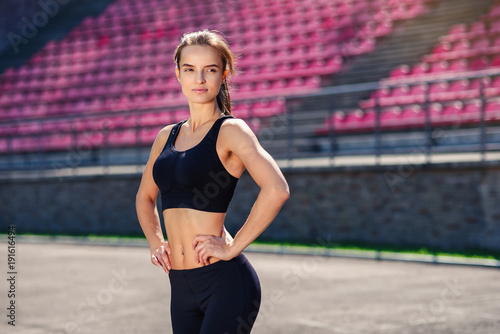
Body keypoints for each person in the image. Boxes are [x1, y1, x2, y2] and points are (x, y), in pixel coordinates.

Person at [135, 29, 290, 334]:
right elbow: (144, 196)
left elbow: (277, 189)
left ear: (224, 74)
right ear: (178, 74)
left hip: (225, 283)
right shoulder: (166, 136)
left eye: (210, 70)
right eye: (190, 70)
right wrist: (155, 241)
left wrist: (233, 248)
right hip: (179, 286)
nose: (200, 79)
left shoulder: (231, 130)